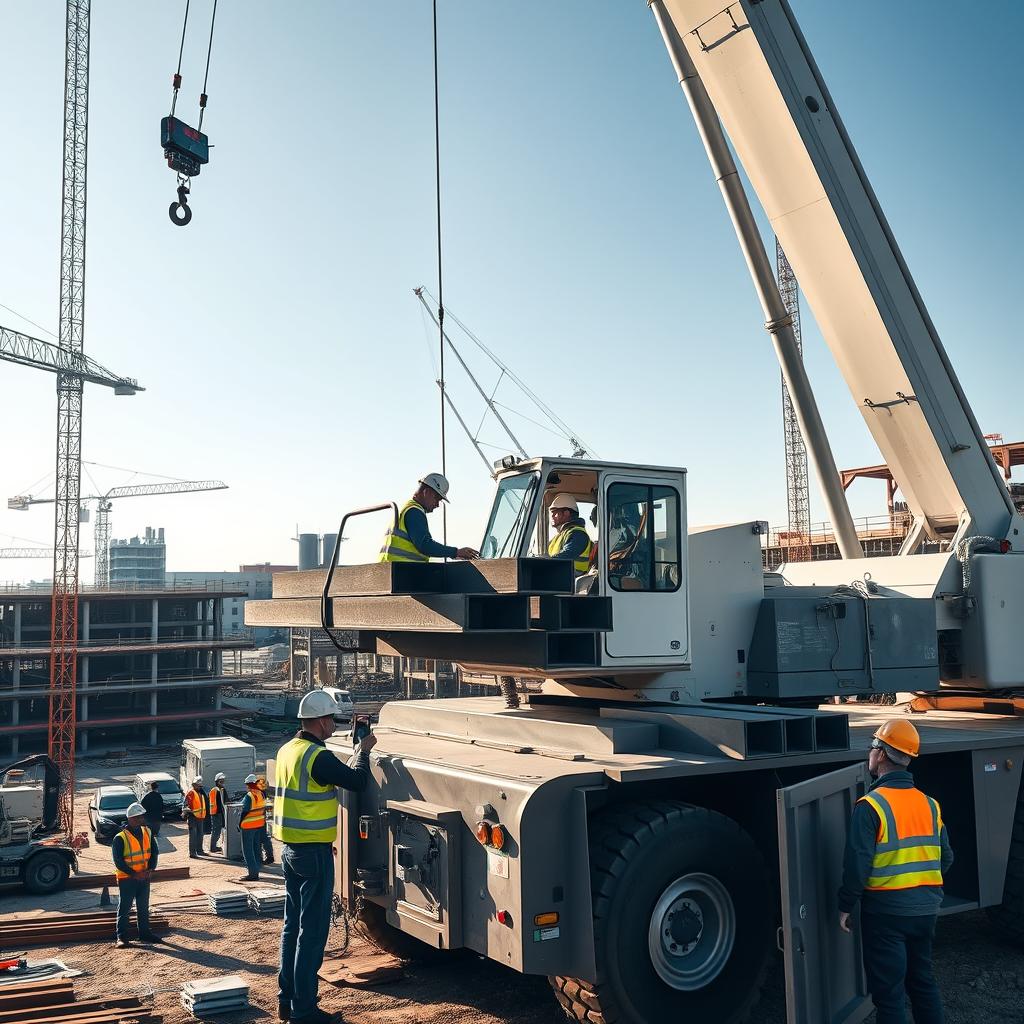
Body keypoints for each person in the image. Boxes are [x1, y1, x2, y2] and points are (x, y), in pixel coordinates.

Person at [838, 719, 953, 1024]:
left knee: (889, 996)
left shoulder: (871, 806)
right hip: (925, 911)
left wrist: (845, 905)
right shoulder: (930, 805)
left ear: (883, 755)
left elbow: (857, 864)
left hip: (886, 914)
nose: (870, 753)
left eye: (873, 746)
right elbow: (947, 858)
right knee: (923, 983)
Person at [274, 689, 377, 1024]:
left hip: (290, 851)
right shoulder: (317, 756)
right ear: (319, 721)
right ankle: (304, 1012)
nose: (335, 723)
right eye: (332, 718)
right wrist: (362, 750)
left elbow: (328, 775)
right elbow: (357, 781)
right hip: (314, 853)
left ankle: (286, 1001)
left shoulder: (290, 750)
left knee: (292, 928)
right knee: (312, 933)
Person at [379, 473, 479, 563]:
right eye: (437, 499)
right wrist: (456, 552)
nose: (437, 505)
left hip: (392, 569)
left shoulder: (407, 508)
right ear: (426, 492)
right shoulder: (414, 511)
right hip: (401, 572)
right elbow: (425, 545)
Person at [112, 802, 161, 948]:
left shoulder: (147, 832)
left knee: (143, 907)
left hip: (144, 877)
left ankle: (145, 934)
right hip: (127, 879)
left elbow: (154, 852)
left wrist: (151, 869)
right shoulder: (120, 838)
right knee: (125, 908)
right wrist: (134, 874)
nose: (142, 820)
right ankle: (121, 937)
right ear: (132, 819)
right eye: (140, 817)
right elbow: (118, 861)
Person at [546, 494, 593, 575]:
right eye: (551, 513)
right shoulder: (559, 536)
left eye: (555, 513)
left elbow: (567, 555)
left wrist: (543, 563)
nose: (552, 516)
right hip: (560, 577)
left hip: (573, 581)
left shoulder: (578, 534)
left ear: (566, 513)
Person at [238, 773, 265, 882]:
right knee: (256, 848)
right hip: (258, 825)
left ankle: (253, 874)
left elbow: (244, 811)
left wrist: (239, 823)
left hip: (248, 825)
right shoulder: (261, 794)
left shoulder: (249, 796)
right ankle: (256, 870)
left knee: (248, 850)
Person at [182, 776, 208, 858]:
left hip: (200, 817)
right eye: (198, 786)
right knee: (193, 835)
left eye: (200, 786)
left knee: (200, 835)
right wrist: (189, 812)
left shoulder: (200, 793)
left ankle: (199, 850)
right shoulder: (191, 793)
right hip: (192, 817)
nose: (200, 787)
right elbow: (185, 806)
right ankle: (192, 853)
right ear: (194, 785)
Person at [257, 775, 274, 864]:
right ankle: (267, 856)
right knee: (263, 837)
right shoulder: (263, 792)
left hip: (259, 818)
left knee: (262, 837)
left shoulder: (260, 793)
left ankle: (267, 856)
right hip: (260, 818)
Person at [209, 772, 227, 853]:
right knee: (216, 831)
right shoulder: (215, 790)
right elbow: (220, 803)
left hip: (219, 813)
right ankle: (213, 847)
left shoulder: (220, 790)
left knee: (218, 830)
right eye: (221, 781)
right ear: (217, 781)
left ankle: (214, 846)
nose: (222, 783)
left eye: (223, 781)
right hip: (216, 813)